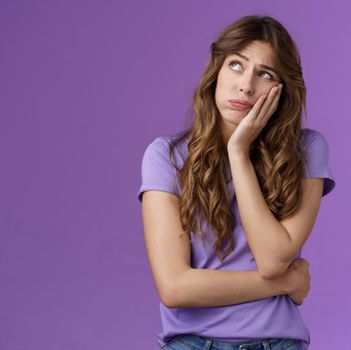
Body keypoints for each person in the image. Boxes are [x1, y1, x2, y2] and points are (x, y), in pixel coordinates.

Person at [137, 14, 336, 350]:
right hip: (192, 344)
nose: (246, 85)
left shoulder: (306, 150)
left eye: (265, 73)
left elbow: (273, 260)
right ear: (216, 70)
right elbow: (174, 288)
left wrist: (239, 153)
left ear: (281, 89)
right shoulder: (165, 157)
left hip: (276, 344)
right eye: (236, 65)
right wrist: (283, 283)